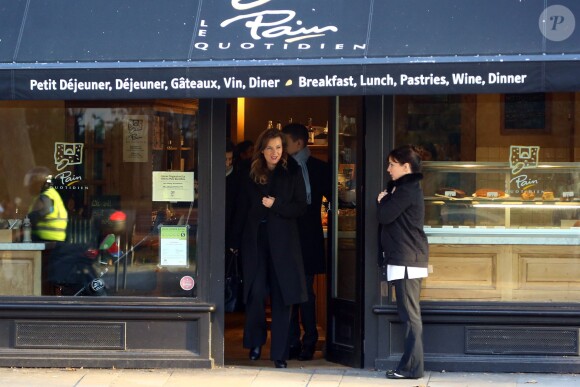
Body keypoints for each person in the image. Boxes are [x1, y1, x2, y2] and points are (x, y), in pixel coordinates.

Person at [230, 128, 307, 369]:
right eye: (270, 148)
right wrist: (233, 242)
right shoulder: (248, 172)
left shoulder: (292, 170)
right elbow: (240, 209)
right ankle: (254, 342)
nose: (275, 152)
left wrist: (277, 204)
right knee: (254, 292)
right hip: (255, 240)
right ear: (262, 150)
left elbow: (300, 207)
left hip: (283, 242)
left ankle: (280, 352)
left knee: (282, 296)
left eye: (279, 148)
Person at [376, 145, 429, 380]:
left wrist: (383, 200)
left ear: (406, 167)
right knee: (409, 315)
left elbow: (385, 216)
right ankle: (409, 367)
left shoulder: (406, 190)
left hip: (407, 259)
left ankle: (411, 369)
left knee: (410, 316)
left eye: (392, 164)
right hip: (405, 258)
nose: (388, 169)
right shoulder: (405, 189)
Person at [282, 123, 331, 361]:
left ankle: (309, 341)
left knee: (306, 293)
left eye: (286, 142)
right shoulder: (282, 168)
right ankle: (291, 341)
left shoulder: (319, 168)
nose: (282, 147)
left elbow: (334, 199)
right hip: (288, 237)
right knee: (290, 291)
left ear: (299, 143)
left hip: (309, 237)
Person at [24, 166, 68, 242]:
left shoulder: (46, 195)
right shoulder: (51, 193)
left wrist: (26, 220)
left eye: (32, 183)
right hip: (54, 238)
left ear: (40, 183)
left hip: (46, 238)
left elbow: (45, 209)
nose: (30, 187)